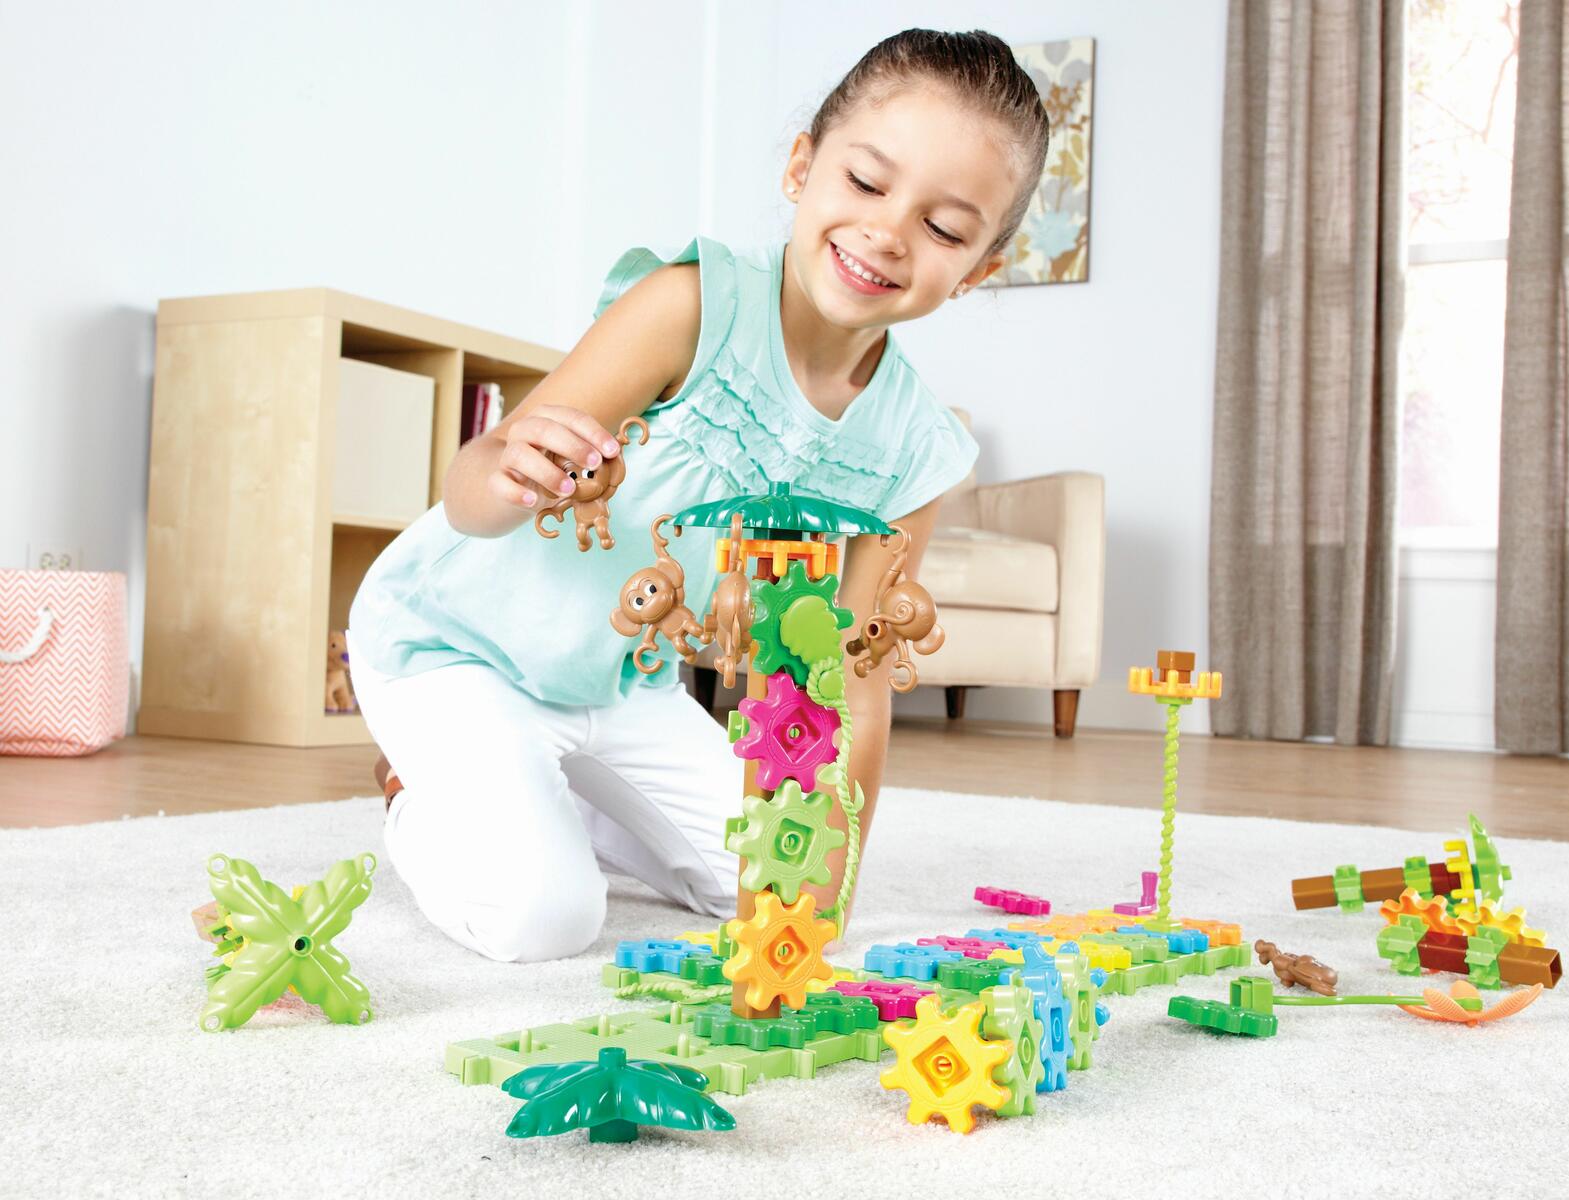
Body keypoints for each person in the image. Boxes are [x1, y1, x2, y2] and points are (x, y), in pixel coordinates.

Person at [346, 28, 1050, 962]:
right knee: (546, 918)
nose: (888, 233)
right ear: (802, 166)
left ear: (979, 269)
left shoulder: (915, 449)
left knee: (775, 889)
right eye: (865, 183)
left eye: (945, 229)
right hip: (454, 647)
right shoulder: (690, 306)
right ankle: (416, 794)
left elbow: (855, 674)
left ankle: (556, 801)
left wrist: (831, 873)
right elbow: (473, 495)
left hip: (621, 685)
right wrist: (508, 469)